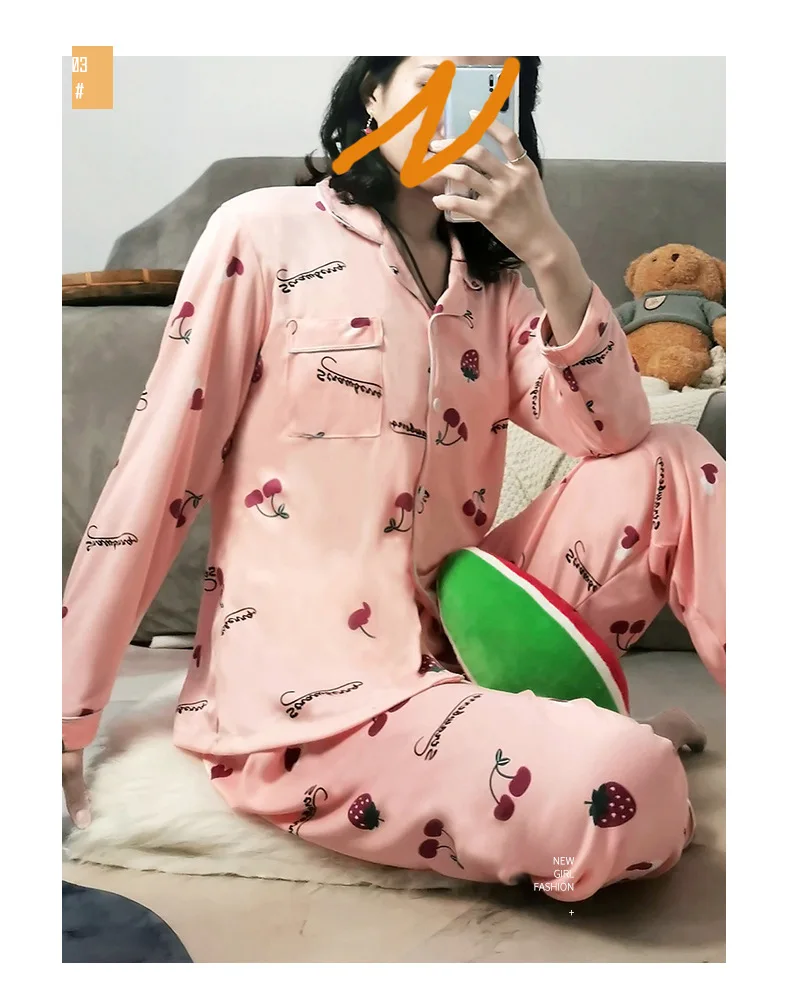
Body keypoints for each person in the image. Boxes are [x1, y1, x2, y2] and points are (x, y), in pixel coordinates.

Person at [62, 57, 724, 901]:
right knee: (629, 781)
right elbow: (159, 467)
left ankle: (572, 738)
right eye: (431, 83)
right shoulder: (262, 233)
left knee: (674, 458)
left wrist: (549, 250)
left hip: (464, 633)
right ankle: (597, 751)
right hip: (315, 696)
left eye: (485, 93)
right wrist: (64, 710)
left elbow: (616, 432)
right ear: (373, 95)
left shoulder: (495, 290)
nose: (459, 115)